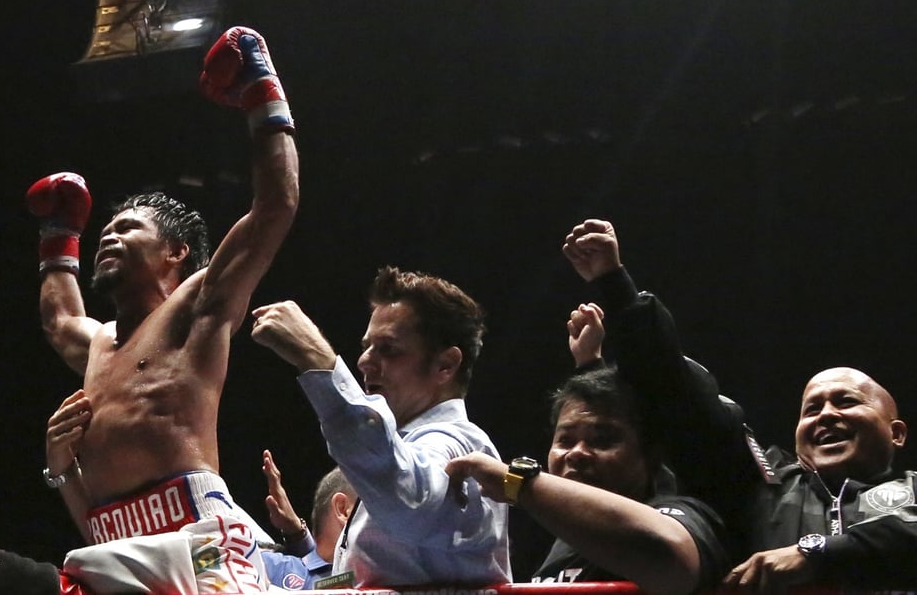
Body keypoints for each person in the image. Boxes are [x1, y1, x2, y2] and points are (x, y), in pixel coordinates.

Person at [31, 26, 299, 594]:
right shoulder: (99, 343)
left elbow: (276, 205)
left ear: (175, 252)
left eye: (128, 228)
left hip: (194, 536)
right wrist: (59, 234)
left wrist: (261, 89)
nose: (109, 236)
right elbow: (58, 321)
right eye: (104, 230)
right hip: (107, 540)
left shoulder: (195, 308)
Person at [564, 218, 917, 591]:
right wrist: (616, 286)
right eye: (812, 410)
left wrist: (817, 554)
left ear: (896, 432)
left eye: (846, 402)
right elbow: (681, 399)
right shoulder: (758, 488)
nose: (826, 415)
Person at [249, 266, 511, 587]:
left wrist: (315, 357)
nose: (364, 361)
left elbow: (408, 498)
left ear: (445, 365)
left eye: (388, 349)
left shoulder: (460, 446)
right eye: (367, 346)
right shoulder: (407, 446)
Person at [446, 366, 730, 595]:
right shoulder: (564, 543)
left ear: (650, 456)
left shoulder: (683, 512)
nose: (577, 453)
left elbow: (670, 559)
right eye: (565, 440)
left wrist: (519, 483)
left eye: (603, 440)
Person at [259, 450, 357, 590]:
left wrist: (298, 536)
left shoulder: (384, 575)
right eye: (374, 507)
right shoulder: (270, 567)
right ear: (343, 509)